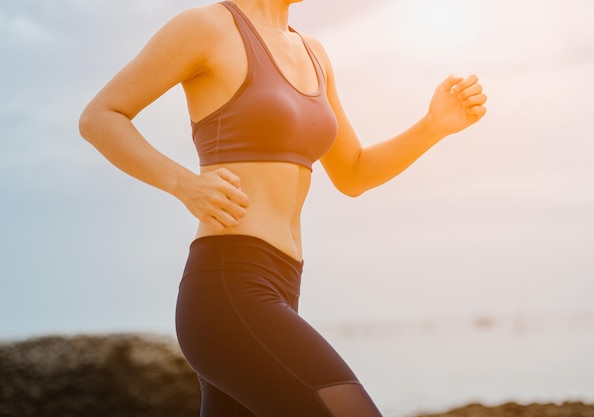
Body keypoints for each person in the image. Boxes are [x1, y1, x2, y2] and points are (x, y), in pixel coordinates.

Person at [78, 0, 487, 415]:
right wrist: (184, 184)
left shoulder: (313, 52)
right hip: (228, 287)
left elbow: (354, 172)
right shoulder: (206, 27)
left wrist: (433, 126)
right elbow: (100, 116)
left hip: (284, 284)